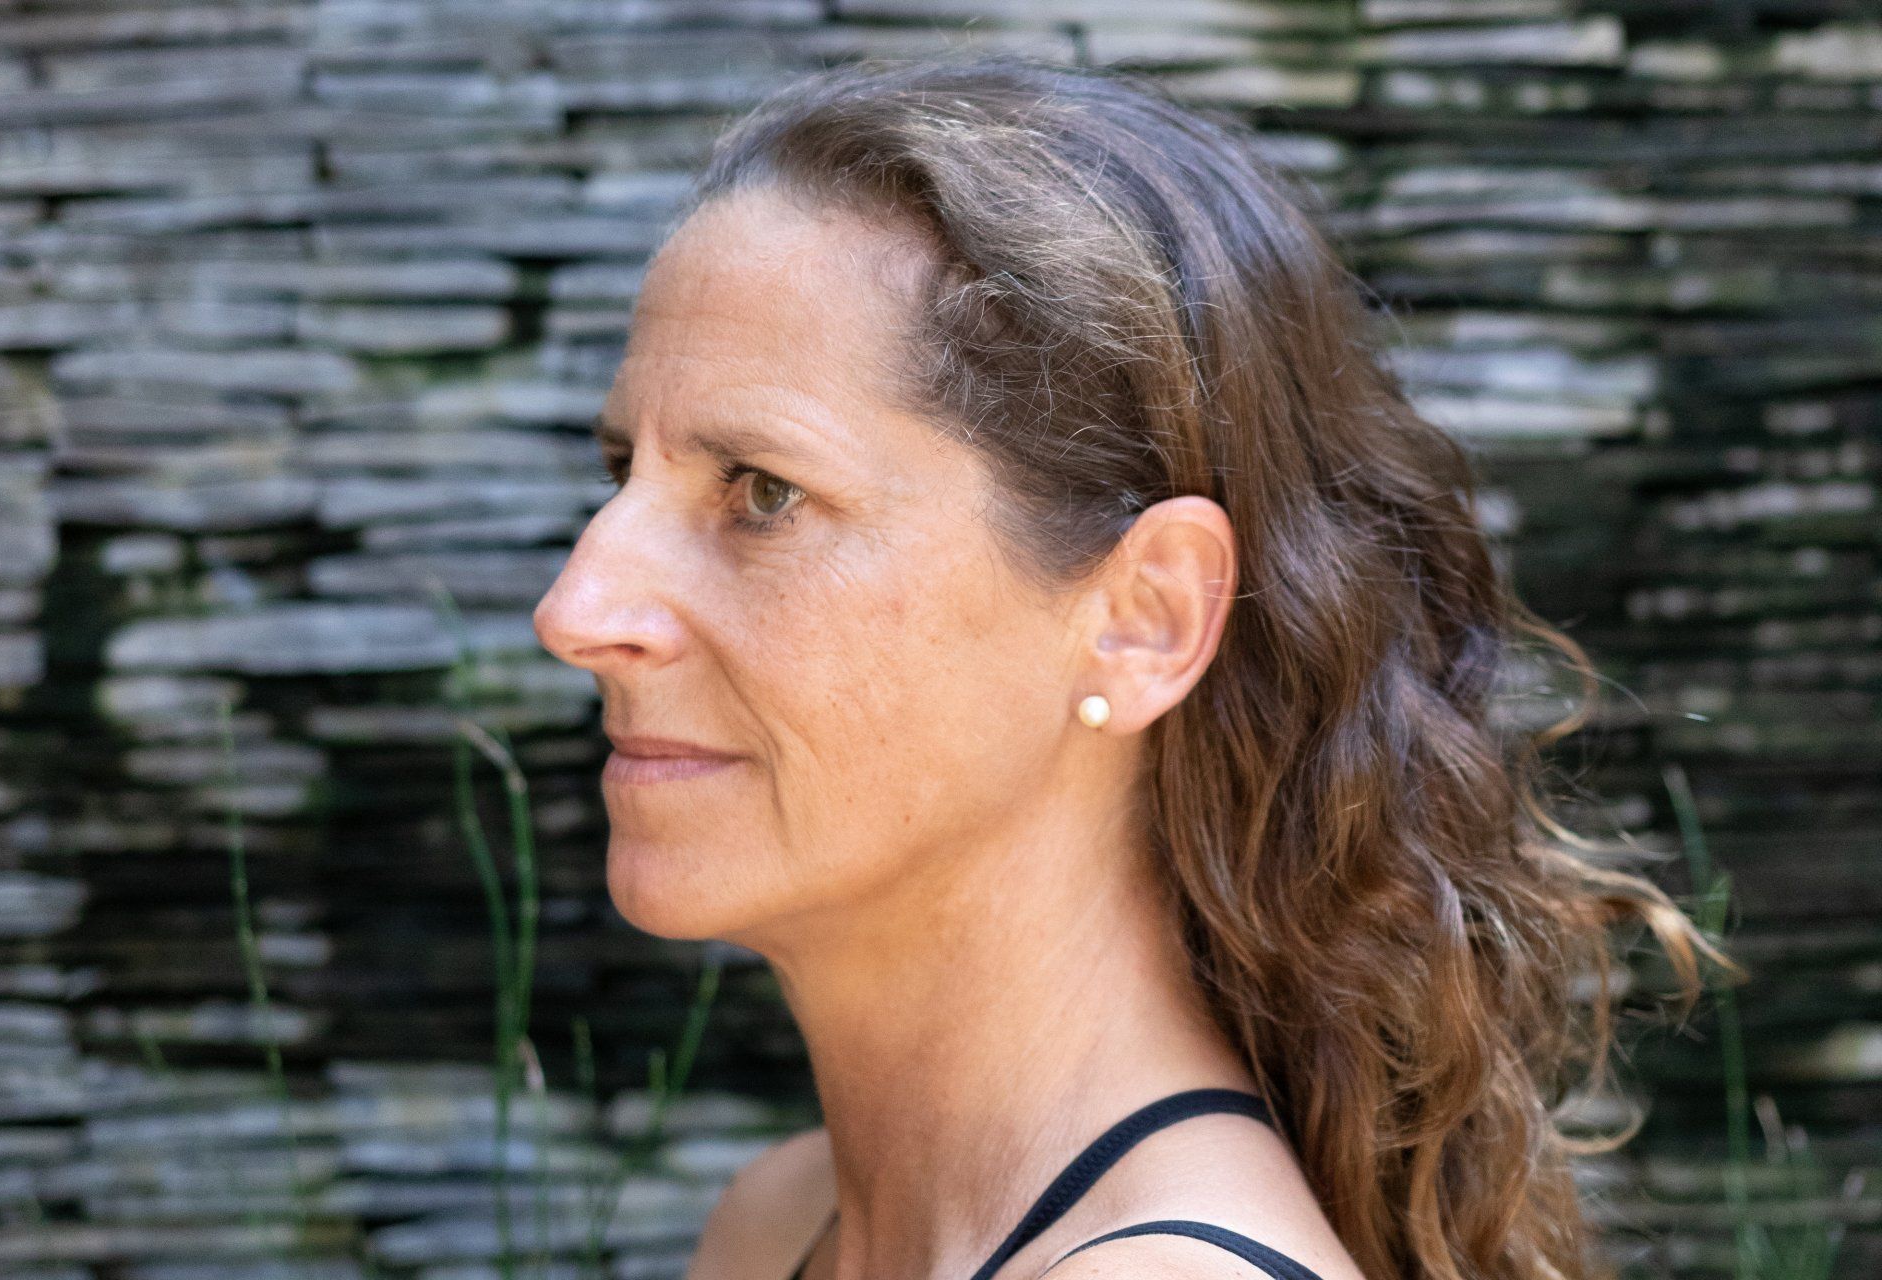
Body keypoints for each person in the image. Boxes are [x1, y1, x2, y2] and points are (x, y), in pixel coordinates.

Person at [532, 56, 1725, 1280]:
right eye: (623, 470)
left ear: (1144, 617)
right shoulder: (779, 1229)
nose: (575, 610)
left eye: (765, 492)